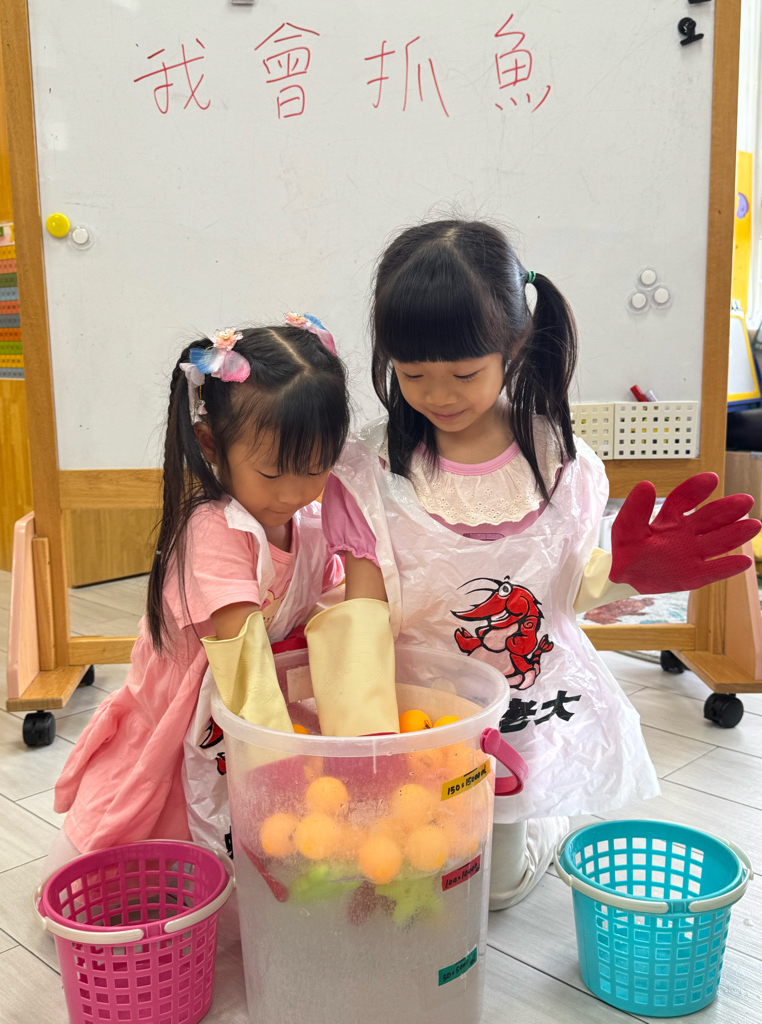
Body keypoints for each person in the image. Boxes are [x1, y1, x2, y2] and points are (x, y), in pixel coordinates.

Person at [314, 219, 760, 910]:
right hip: (419, 706)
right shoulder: (370, 473)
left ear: (514, 346)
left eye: (464, 373)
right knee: (404, 869)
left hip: (528, 701)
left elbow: (565, 595)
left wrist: (625, 572)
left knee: (493, 891)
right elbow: (363, 619)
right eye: (412, 374)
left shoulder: (561, 462)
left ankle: (544, 824)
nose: (438, 395)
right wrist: (367, 743)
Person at [47, 318, 349, 875]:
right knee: (146, 838)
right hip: (187, 713)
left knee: (235, 842)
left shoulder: (308, 519)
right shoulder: (214, 530)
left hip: (249, 717)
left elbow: (333, 599)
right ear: (211, 444)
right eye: (272, 472)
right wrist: (291, 769)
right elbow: (244, 665)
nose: (294, 491)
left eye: (315, 468)